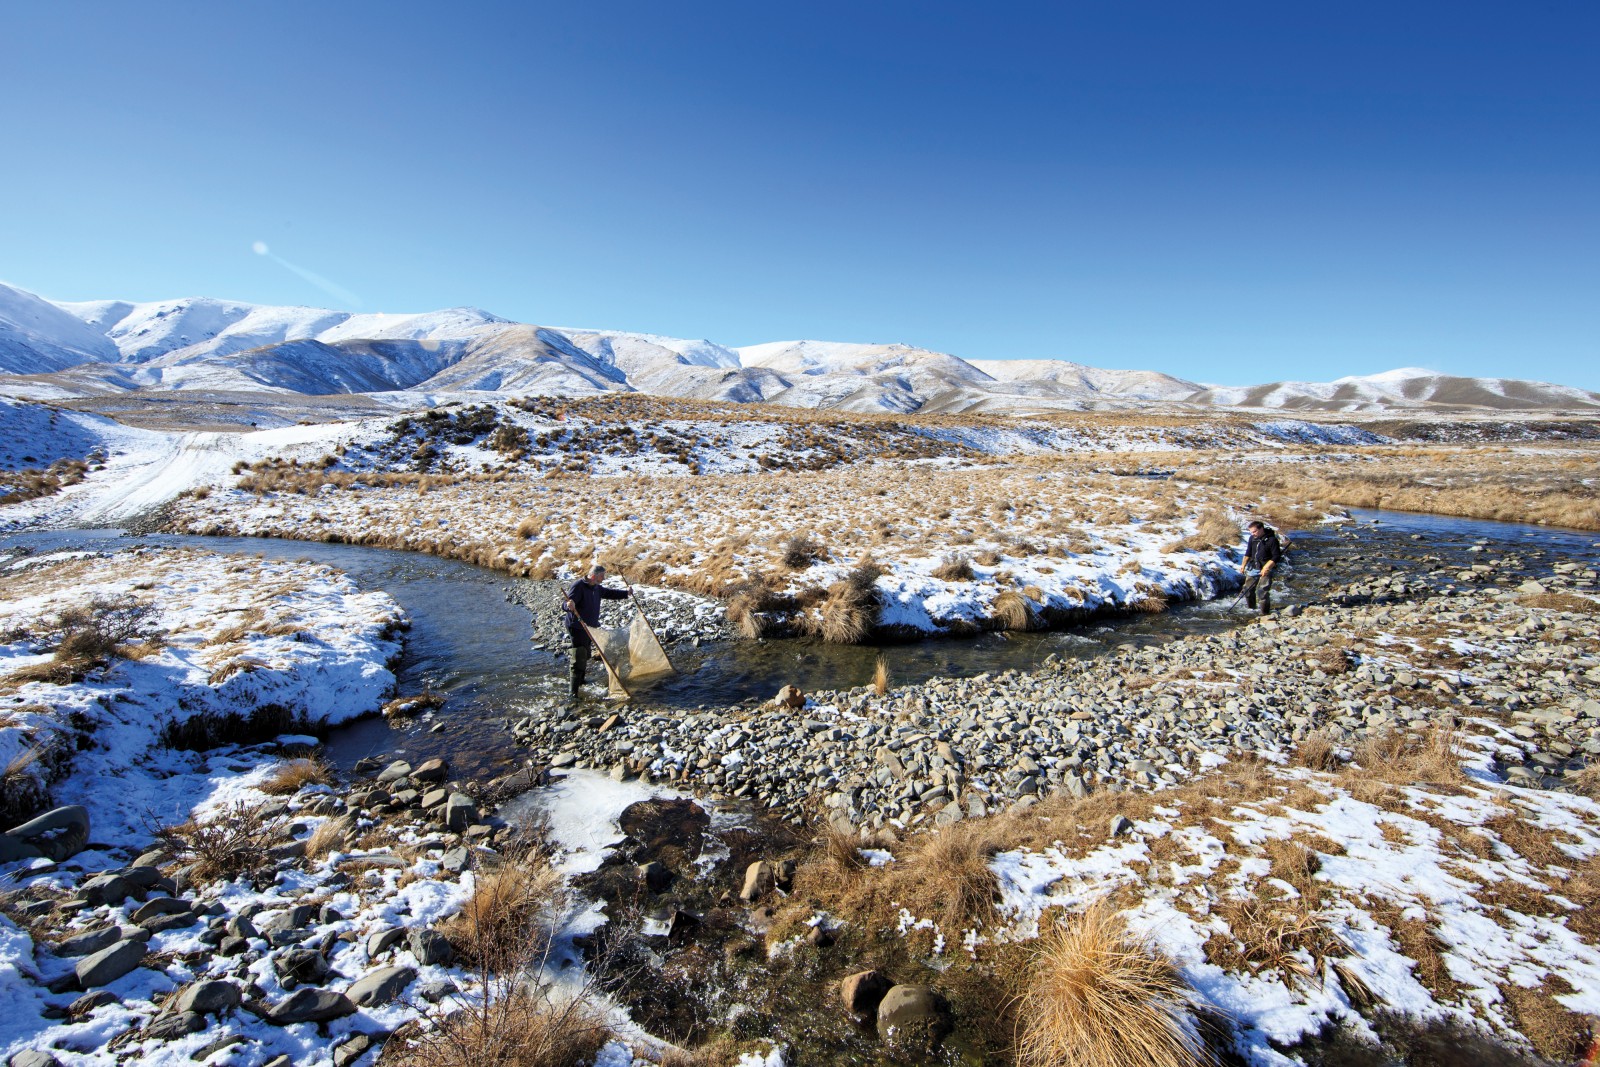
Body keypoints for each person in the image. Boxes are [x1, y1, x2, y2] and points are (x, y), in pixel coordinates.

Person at [564, 564, 631, 696]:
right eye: (602, 576)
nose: (603, 578)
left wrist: (626, 593)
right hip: (577, 626)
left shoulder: (596, 587)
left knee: (586, 654)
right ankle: (573, 693)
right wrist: (568, 605)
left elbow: (609, 593)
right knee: (578, 656)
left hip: (590, 627)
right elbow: (566, 604)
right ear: (594, 576)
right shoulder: (578, 586)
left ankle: (581, 681)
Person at [1241, 520, 1282, 615]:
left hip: (1267, 568)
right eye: (1251, 532)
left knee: (1262, 591)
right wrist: (1243, 565)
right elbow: (1248, 552)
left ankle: (1265, 614)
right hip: (1253, 567)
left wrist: (1266, 568)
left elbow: (1276, 556)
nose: (1253, 534)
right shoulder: (1252, 538)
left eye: (1254, 531)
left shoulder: (1272, 540)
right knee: (1247, 590)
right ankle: (1251, 610)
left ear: (1261, 529)